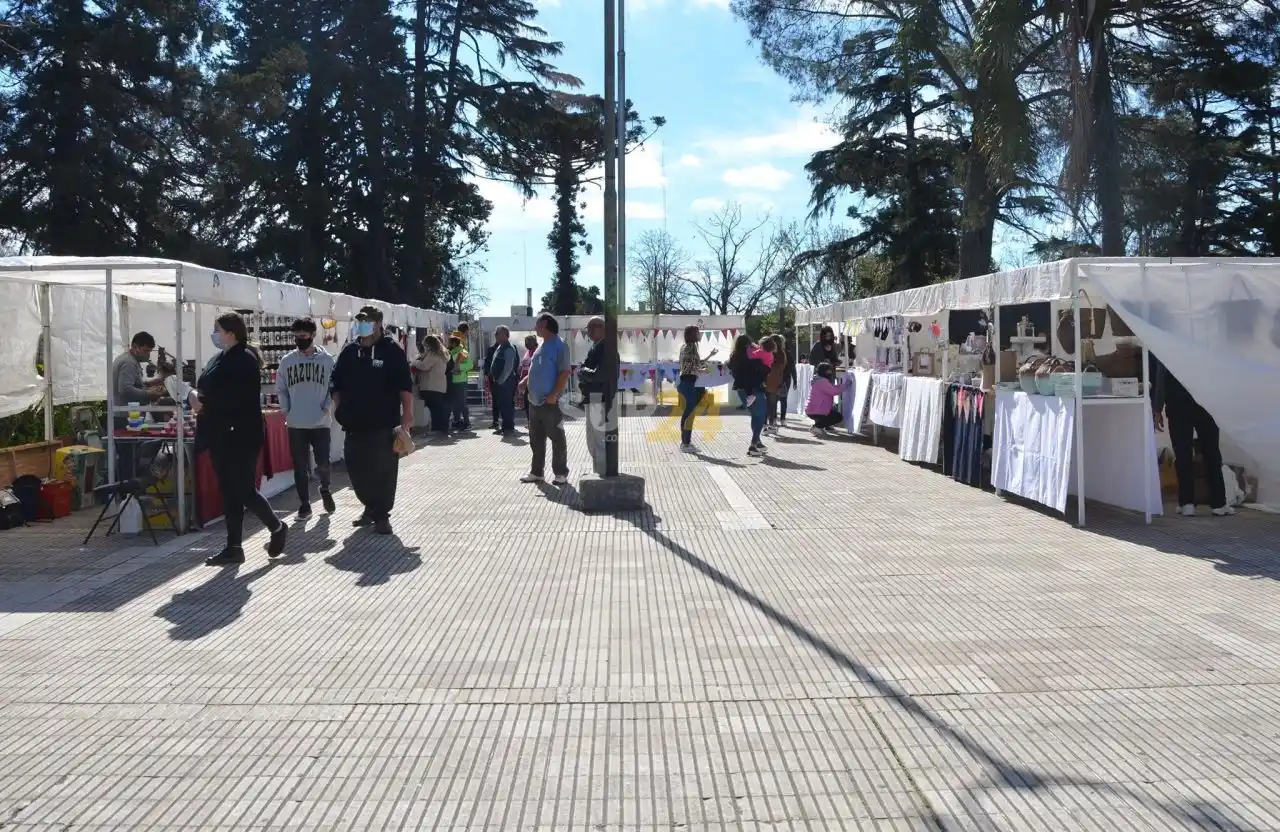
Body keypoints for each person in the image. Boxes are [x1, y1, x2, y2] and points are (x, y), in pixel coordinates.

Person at [197, 313, 287, 565]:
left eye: (217, 329)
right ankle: (234, 546)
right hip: (221, 432)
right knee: (229, 490)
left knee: (243, 489)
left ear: (230, 332)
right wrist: (195, 395)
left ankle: (276, 527)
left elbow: (236, 398)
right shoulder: (220, 358)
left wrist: (203, 402)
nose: (214, 334)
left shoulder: (244, 359)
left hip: (241, 434)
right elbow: (207, 384)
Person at [331, 305, 413, 535]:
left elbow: (404, 386)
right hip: (353, 423)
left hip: (383, 422)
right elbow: (335, 381)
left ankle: (382, 514)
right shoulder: (350, 351)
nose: (363, 325)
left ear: (378, 323)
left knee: (383, 469)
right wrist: (339, 406)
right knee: (357, 469)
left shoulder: (391, 350)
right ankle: (370, 506)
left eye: (367, 321)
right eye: (360, 320)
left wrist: (407, 415)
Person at [1151, 355, 1233, 517]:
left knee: (1183, 453)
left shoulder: (1167, 343)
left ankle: (1187, 503)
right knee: (1211, 451)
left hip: (1178, 402)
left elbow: (1162, 377)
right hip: (1205, 402)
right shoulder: (1202, 344)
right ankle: (1218, 503)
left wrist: (1158, 408)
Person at [276, 318, 336, 519]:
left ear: (312, 335)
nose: (298, 340)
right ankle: (304, 504)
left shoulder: (327, 360)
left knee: (323, 463)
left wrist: (327, 408)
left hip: (320, 422)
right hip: (296, 422)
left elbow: (334, 388)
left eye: (302, 336)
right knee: (299, 466)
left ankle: (325, 488)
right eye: (295, 337)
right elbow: (281, 388)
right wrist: (287, 409)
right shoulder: (287, 361)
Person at [518, 313, 570, 485]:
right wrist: (526, 381)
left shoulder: (560, 345)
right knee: (536, 439)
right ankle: (537, 472)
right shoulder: (541, 347)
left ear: (545, 323)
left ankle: (560, 473)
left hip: (550, 402)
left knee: (556, 437)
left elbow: (564, 373)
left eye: (537, 323)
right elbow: (537, 369)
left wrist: (554, 394)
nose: (535, 327)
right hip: (534, 401)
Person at [576, 316, 610, 473]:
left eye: (591, 328)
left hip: (599, 397)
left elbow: (600, 375)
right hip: (593, 397)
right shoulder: (597, 346)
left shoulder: (606, 347)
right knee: (591, 439)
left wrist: (583, 371)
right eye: (588, 329)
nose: (588, 332)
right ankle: (598, 469)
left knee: (598, 439)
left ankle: (602, 472)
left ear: (601, 328)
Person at [677, 325, 718, 453]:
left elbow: (693, 363)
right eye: (697, 332)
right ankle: (685, 443)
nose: (699, 335)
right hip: (688, 382)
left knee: (688, 412)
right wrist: (702, 371)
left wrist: (709, 357)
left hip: (686, 382)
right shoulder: (691, 347)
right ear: (692, 335)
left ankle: (685, 441)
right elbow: (692, 367)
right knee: (690, 413)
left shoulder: (685, 346)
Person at [728, 334, 771, 457]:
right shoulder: (752, 355)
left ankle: (757, 442)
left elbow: (731, 368)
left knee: (755, 415)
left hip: (741, 389)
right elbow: (763, 369)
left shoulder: (734, 356)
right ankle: (753, 444)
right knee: (761, 415)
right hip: (754, 388)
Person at [413, 335, 450, 440]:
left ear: (429, 345)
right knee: (438, 409)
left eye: (425, 345)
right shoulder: (441, 354)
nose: (424, 347)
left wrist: (414, 362)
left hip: (431, 386)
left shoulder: (433, 355)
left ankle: (437, 429)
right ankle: (441, 429)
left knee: (435, 410)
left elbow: (424, 366)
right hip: (439, 386)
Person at [487, 326, 520, 436]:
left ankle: (509, 428)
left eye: (498, 333)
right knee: (502, 405)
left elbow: (509, 367)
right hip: (499, 381)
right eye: (495, 333)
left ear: (506, 335)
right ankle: (505, 426)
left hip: (506, 382)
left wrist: (501, 380)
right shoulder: (500, 347)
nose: (495, 335)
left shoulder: (509, 348)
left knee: (506, 405)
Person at [805, 361, 853, 436]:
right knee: (838, 417)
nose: (830, 372)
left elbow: (832, 388)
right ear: (823, 371)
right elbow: (834, 391)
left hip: (813, 409)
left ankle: (818, 427)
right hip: (817, 411)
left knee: (832, 413)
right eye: (828, 370)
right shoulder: (822, 381)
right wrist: (846, 385)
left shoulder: (818, 379)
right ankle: (817, 427)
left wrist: (842, 385)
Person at [763, 335, 789, 436]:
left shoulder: (767, 352)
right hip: (776, 382)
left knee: (766, 405)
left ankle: (765, 426)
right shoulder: (782, 354)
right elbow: (783, 368)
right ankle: (772, 425)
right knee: (772, 405)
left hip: (767, 381)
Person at [448, 330, 473, 431]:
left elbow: (470, 365)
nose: (448, 343)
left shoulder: (463, 353)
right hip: (451, 381)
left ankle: (467, 422)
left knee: (462, 403)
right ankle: (457, 421)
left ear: (454, 342)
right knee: (454, 403)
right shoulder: (450, 352)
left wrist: (458, 367)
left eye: (450, 341)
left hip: (460, 381)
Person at [517, 334, 538, 422]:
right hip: (525, 384)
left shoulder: (537, 352)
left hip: (533, 384)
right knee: (527, 404)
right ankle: (530, 422)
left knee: (532, 405)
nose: (526, 344)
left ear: (534, 342)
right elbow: (523, 365)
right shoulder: (527, 352)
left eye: (528, 342)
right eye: (525, 342)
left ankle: (534, 424)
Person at [482, 337, 499, 431]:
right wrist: (487, 373)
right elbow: (487, 363)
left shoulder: (509, 348)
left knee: (505, 402)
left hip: (504, 379)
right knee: (495, 401)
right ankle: (495, 421)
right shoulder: (491, 349)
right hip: (493, 379)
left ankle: (506, 423)